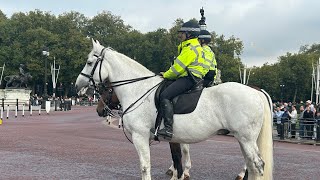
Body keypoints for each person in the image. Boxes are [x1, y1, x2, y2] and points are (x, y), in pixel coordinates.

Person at [156, 20, 209, 139]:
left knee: (165, 95)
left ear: (189, 34)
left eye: (183, 33)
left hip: (189, 79)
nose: (180, 35)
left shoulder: (190, 48)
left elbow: (177, 69)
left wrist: (166, 75)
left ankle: (168, 129)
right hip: (194, 77)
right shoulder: (195, 46)